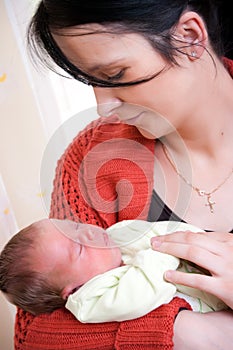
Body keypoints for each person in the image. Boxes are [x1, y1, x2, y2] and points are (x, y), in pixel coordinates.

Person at [16, 0, 233, 349]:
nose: (104, 106)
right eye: (89, 80)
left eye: (116, 75)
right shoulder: (90, 160)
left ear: (190, 37)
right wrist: (189, 332)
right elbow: (34, 335)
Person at [1, 218, 226, 321]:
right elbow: (150, 286)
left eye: (75, 226)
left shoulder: (116, 241)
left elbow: (166, 232)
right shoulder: (92, 300)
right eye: (79, 248)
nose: (89, 233)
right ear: (71, 290)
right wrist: (163, 250)